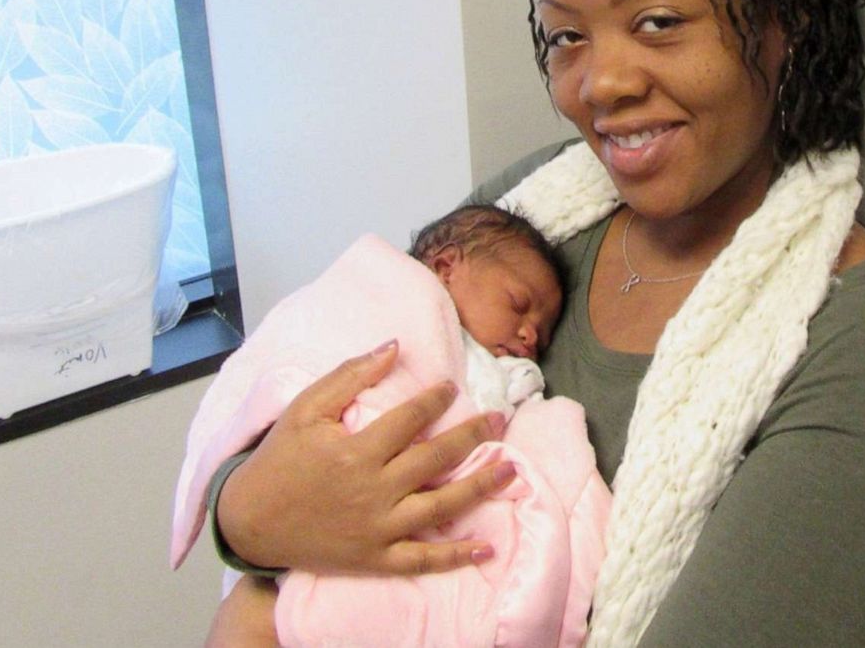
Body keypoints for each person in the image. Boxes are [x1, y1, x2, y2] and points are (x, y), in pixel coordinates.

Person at [206, 0, 865, 647]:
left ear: (779, 24)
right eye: (566, 36)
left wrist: (258, 593)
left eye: (657, 21)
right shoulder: (530, 214)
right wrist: (245, 517)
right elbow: (319, 390)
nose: (600, 83)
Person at [174, 206, 608, 647]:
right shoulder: (388, 300)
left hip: (403, 542)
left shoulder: (501, 371)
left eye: (541, 333)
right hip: (306, 520)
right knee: (250, 613)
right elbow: (295, 353)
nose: (530, 335)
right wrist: (246, 508)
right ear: (445, 267)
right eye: (518, 306)